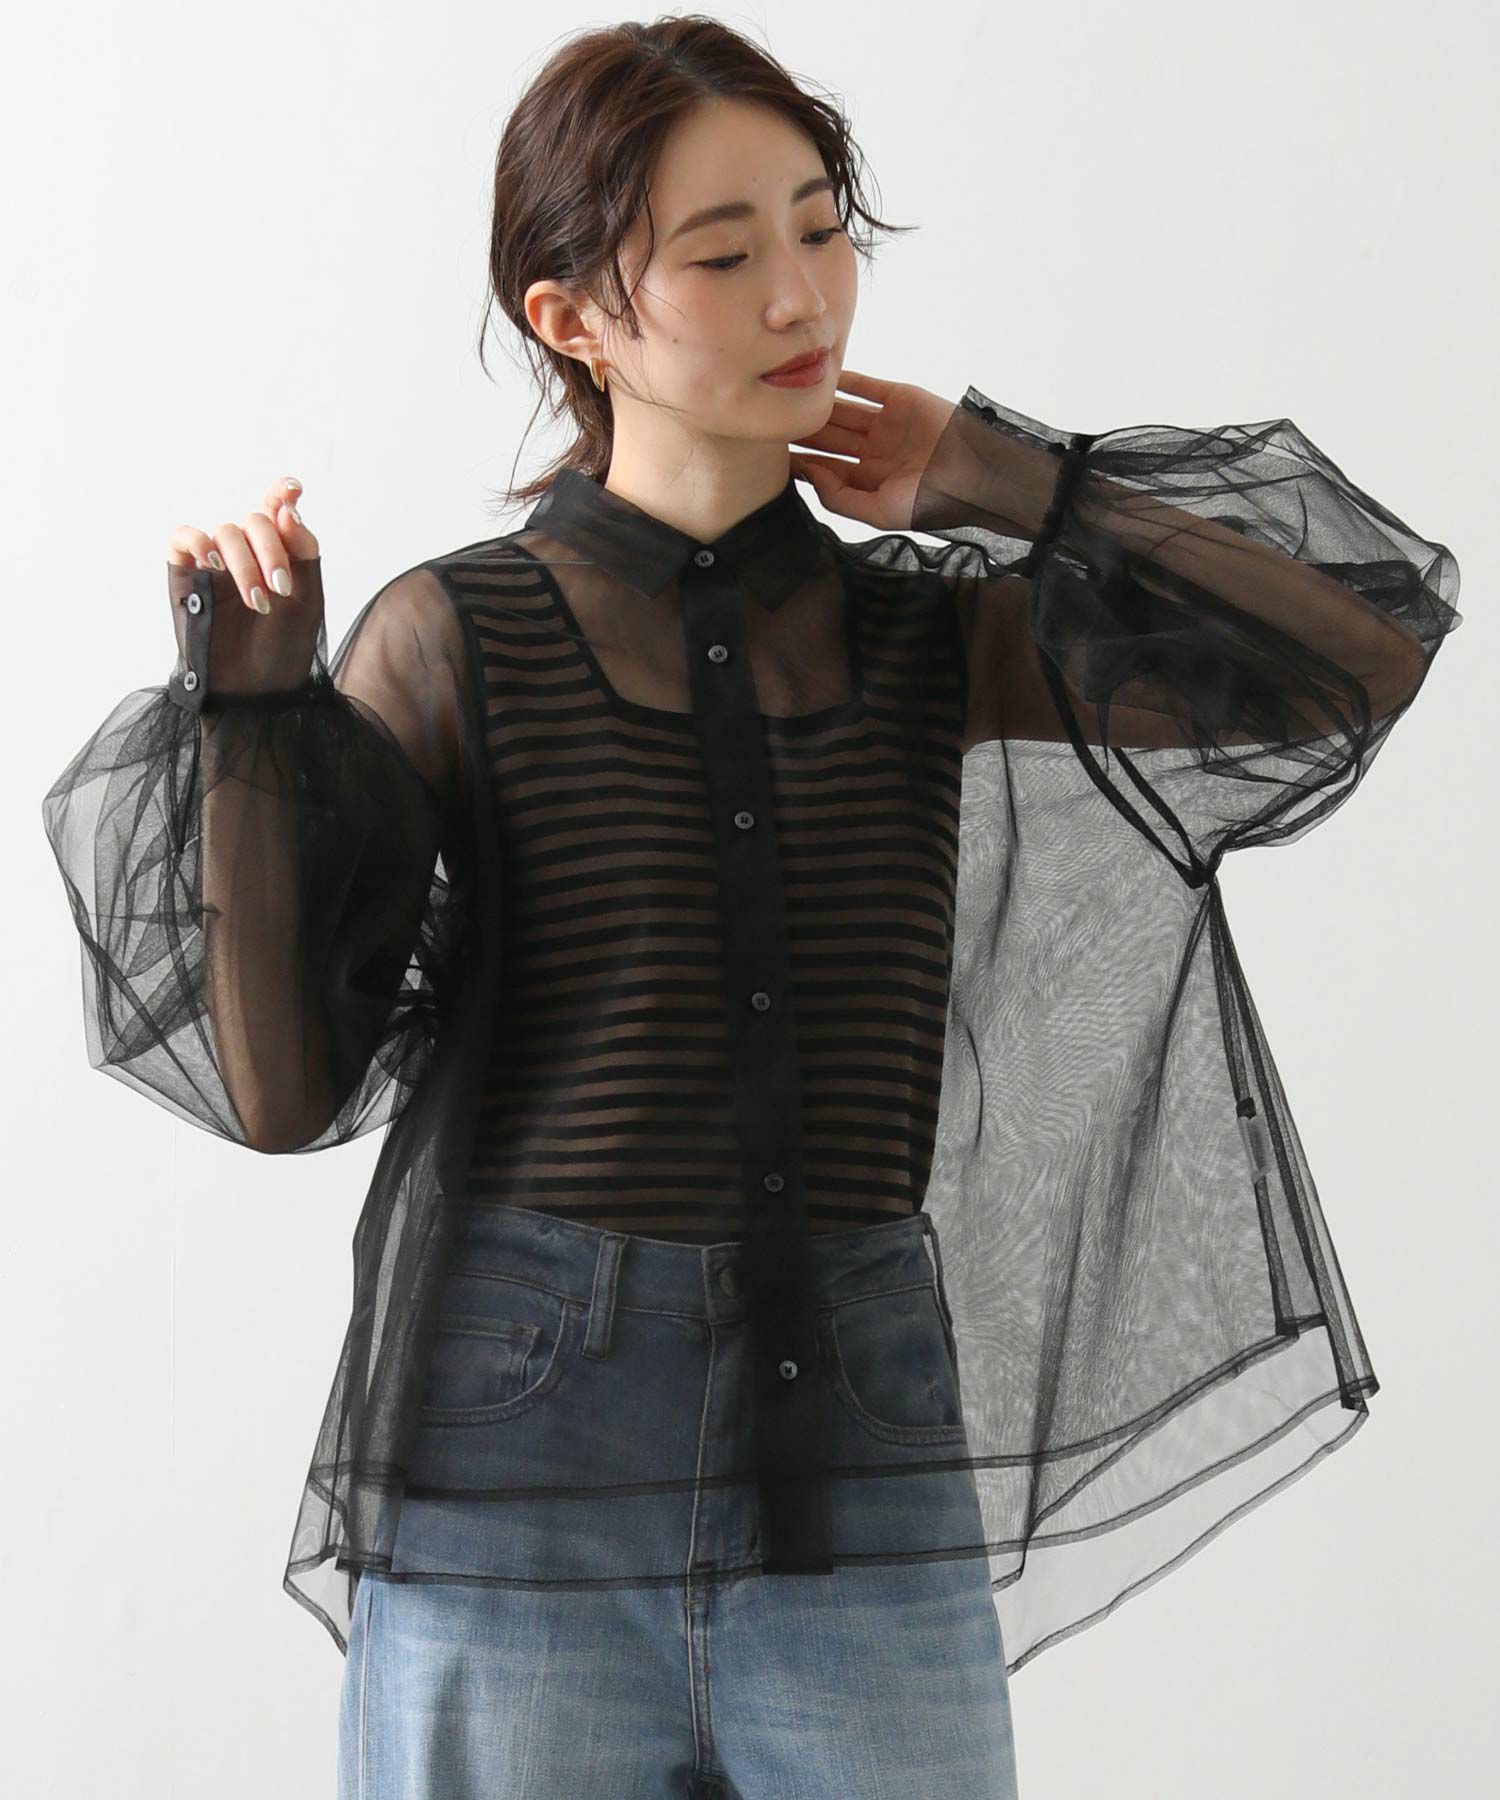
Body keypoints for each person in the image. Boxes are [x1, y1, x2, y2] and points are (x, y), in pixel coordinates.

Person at [41, 15, 1462, 1800]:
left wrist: (1009, 478)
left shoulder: (929, 636)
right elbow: (280, 1094)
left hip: (861, 1462)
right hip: (517, 1485)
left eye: (821, 228)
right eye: (722, 255)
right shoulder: (453, 637)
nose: (802, 295)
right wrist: (254, 713)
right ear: (572, 317)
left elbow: (1357, 660)